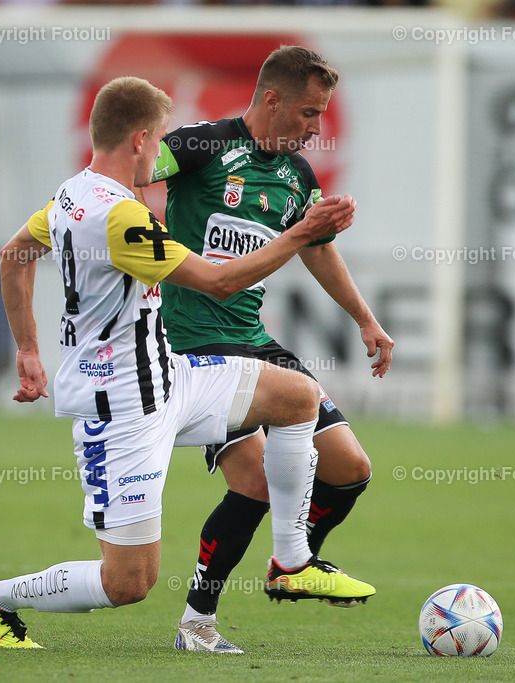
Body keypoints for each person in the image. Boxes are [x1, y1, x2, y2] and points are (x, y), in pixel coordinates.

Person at [0, 75, 374, 649]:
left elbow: (14, 255)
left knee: (297, 396)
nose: (161, 157)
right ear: (140, 139)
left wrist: (28, 350)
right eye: (158, 144)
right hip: (124, 407)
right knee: (129, 582)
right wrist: (301, 232)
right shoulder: (121, 217)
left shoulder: (71, 195)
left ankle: (291, 559)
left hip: (172, 377)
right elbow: (222, 281)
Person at [144, 45, 394, 653]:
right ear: (272, 99)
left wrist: (366, 320)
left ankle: (293, 563)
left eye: (323, 115)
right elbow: (121, 177)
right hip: (190, 344)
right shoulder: (200, 145)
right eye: (309, 114)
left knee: (350, 470)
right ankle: (197, 622)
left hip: (256, 341)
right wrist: (132, 248)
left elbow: (316, 248)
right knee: (254, 479)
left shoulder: (296, 176)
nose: (317, 129)